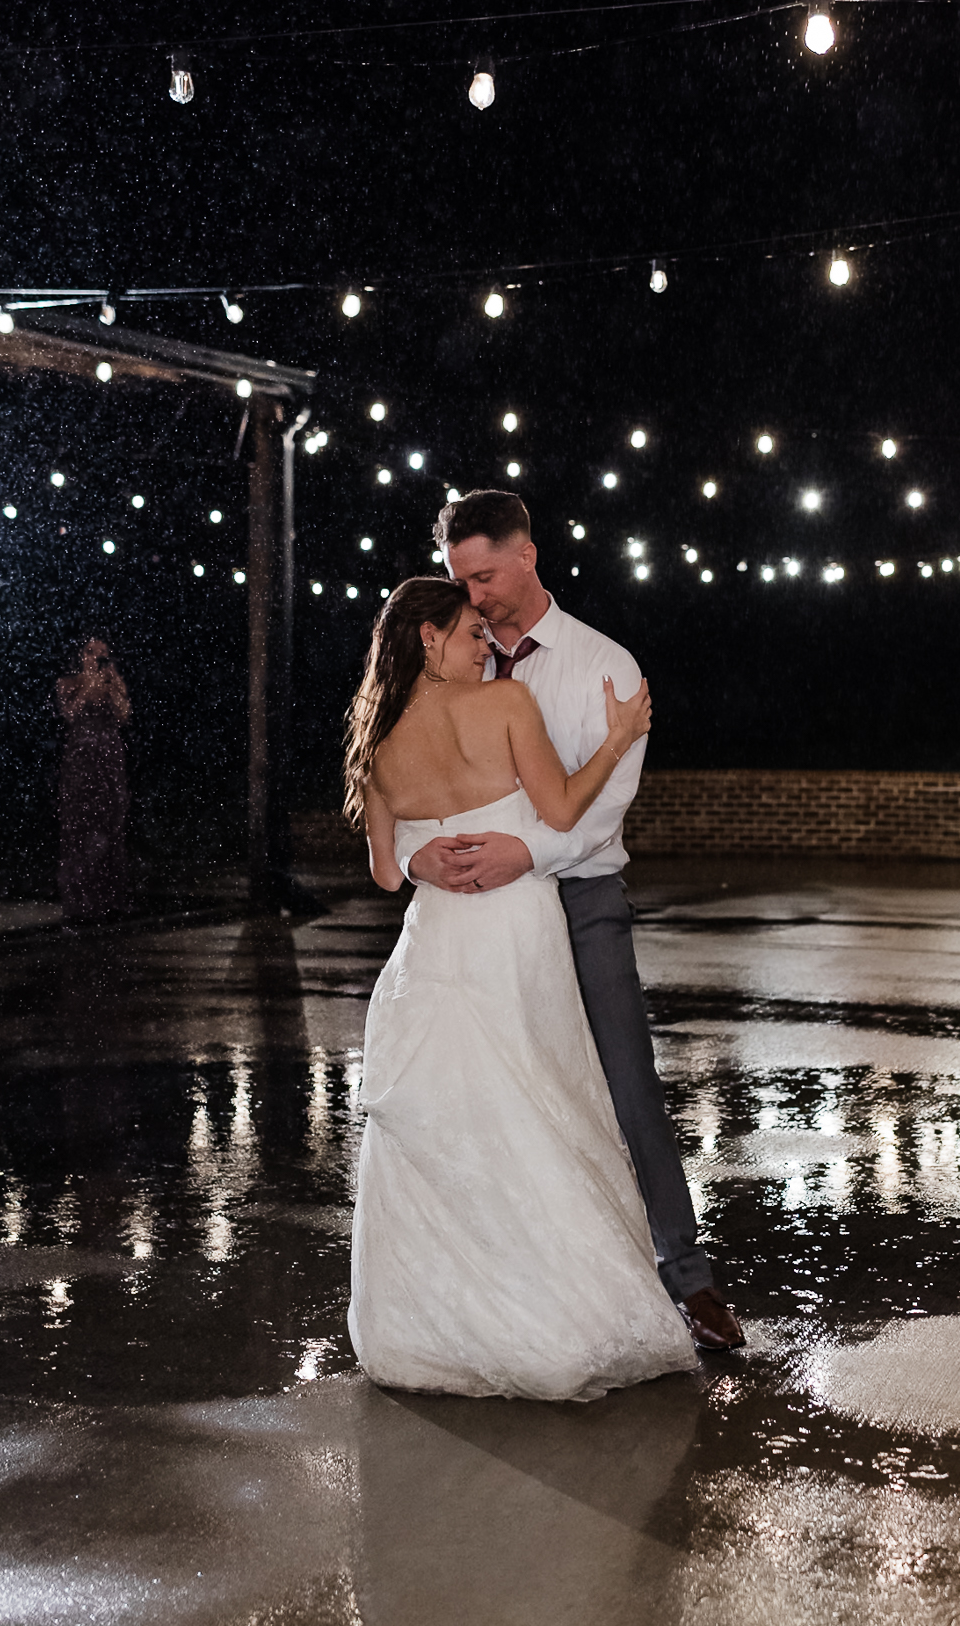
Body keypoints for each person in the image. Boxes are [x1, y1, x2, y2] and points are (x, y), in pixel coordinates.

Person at [396, 491, 745, 1353]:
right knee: (496, 1095)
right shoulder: (447, 661)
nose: (471, 597)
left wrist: (526, 856)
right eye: (457, 581)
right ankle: (514, 1282)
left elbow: (603, 810)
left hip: (579, 901)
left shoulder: (604, 666)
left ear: (527, 555)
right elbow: (405, 773)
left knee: (626, 1083)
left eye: (482, 576)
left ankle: (687, 1278)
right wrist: (412, 858)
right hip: (473, 913)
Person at [346, 575, 697, 1400]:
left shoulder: (376, 738)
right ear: (429, 640)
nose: (486, 647)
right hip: (516, 934)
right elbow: (566, 810)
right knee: (544, 1106)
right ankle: (565, 1318)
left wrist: (427, 859)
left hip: (436, 946)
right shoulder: (505, 706)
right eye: (471, 633)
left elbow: (388, 875)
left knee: (462, 1125)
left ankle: (450, 1320)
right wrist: (616, 740)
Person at [55, 636, 132, 924]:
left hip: (109, 758)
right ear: (80, 655)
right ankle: (78, 901)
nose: (95, 659)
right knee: (79, 828)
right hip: (81, 758)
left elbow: (124, 716)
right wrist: (89, 686)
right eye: (90, 652)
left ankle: (110, 900)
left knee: (110, 826)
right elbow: (70, 713)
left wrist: (114, 689)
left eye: (102, 654)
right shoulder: (69, 683)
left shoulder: (113, 681)